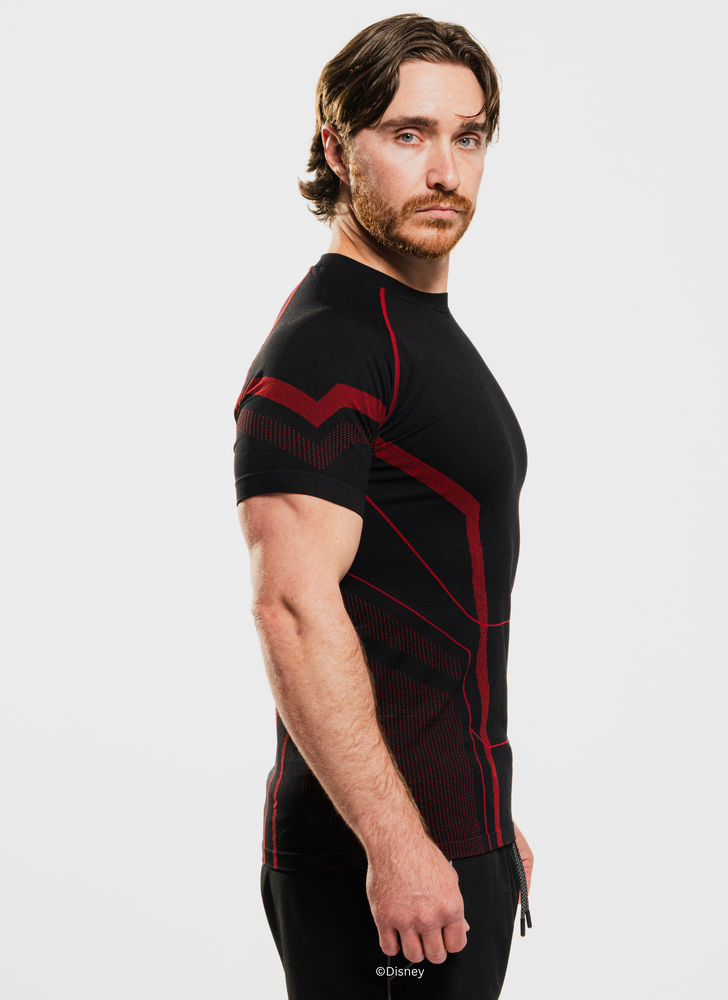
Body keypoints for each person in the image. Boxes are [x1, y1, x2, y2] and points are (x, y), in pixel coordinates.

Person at [234, 14, 532, 999]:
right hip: (377, 865)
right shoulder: (328, 345)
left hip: (449, 839)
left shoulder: (411, 327)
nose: (444, 169)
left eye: (467, 136)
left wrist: (482, 815)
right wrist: (397, 840)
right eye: (408, 134)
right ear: (337, 147)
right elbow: (291, 606)